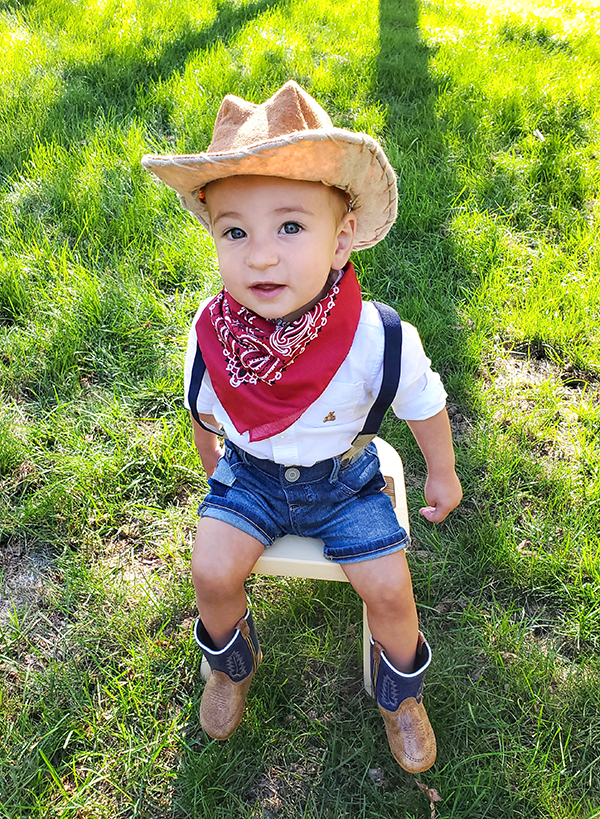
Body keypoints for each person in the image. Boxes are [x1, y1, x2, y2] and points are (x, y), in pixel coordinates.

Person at [142, 81, 462, 774]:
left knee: (388, 587)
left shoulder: (375, 337)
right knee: (212, 568)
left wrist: (442, 468)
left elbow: (423, 401)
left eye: (290, 227)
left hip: (344, 481)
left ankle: (399, 693)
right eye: (236, 231)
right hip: (250, 475)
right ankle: (231, 662)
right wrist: (215, 477)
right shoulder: (212, 335)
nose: (260, 256)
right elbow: (202, 410)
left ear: (342, 237)